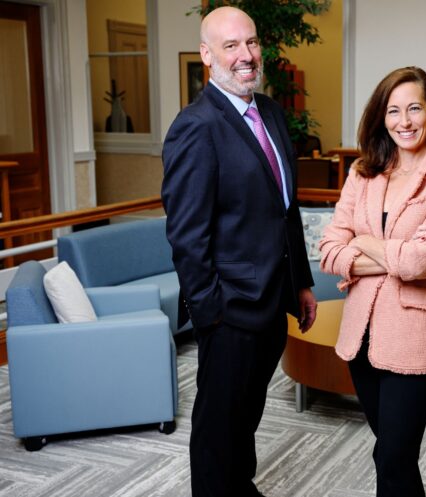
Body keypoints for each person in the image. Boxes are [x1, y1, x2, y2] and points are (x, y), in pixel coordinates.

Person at [161, 6, 317, 497]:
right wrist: (211, 315)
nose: (246, 55)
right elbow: (187, 236)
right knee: (216, 427)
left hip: (272, 303)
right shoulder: (196, 126)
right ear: (207, 55)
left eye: (251, 43)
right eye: (231, 46)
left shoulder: (269, 111)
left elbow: (285, 209)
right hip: (229, 312)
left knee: (246, 416)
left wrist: (303, 284)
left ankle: (239, 488)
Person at [319, 67, 426, 497]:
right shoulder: (363, 172)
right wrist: (389, 251)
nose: (403, 121)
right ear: (381, 116)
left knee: (392, 457)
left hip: (414, 336)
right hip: (362, 335)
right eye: (393, 110)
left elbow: (422, 262)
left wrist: (366, 242)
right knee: (390, 453)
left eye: (413, 108)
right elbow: (330, 250)